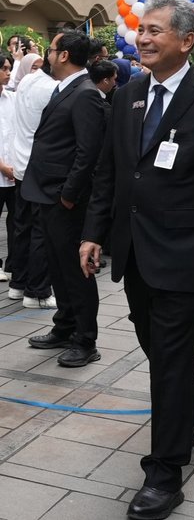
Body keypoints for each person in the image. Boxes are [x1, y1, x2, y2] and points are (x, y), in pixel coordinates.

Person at [80, 0, 194, 520]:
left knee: (171, 361)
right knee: (155, 347)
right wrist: (93, 233)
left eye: (155, 31)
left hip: (185, 253)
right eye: (142, 31)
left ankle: (165, 470)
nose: (143, 38)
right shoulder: (128, 95)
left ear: (186, 41)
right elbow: (111, 171)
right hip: (133, 251)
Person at [21, 30, 105, 367]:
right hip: (47, 193)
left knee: (75, 270)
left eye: (52, 50)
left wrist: (68, 195)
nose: (49, 55)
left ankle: (85, 340)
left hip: (64, 198)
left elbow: (88, 153)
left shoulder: (85, 94)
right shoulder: (66, 89)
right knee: (58, 266)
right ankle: (65, 326)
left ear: (65, 55)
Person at [10, 55, 57, 308]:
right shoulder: (52, 88)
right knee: (40, 230)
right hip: (38, 167)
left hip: (22, 165)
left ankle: (18, 284)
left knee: (23, 226)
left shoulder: (28, 81)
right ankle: (37, 291)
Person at [0, 53, 16, 282]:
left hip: (15, 174)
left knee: (17, 222)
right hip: (3, 171)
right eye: (4, 68)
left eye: (10, 67)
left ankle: (16, 265)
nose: (8, 71)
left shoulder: (13, 98)